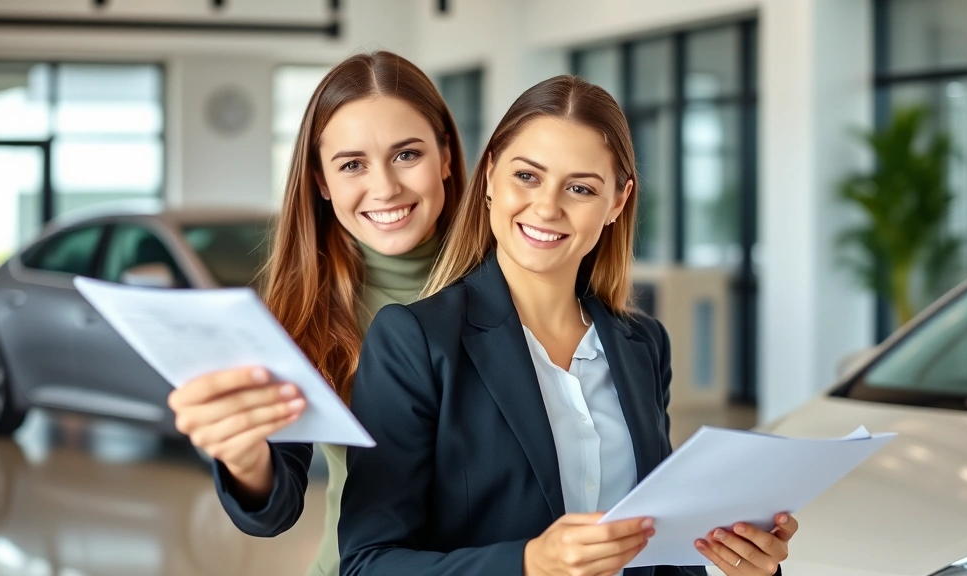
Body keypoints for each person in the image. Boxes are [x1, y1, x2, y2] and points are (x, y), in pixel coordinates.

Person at [339, 75, 798, 576]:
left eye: (580, 188)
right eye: (527, 176)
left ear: (618, 202)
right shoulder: (414, 341)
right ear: (490, 176)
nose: (547, 207)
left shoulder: (642, 345)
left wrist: (747, 567)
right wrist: (529, 563)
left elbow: (658, 553)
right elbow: (368, 563)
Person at [166, 51, 467, 576]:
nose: (385, 187)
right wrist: (244, 457)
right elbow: (276, 509)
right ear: (322, 183)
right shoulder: (305, 310)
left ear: (445, 156)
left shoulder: (515, 283)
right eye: (352, 164)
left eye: (407, 155)